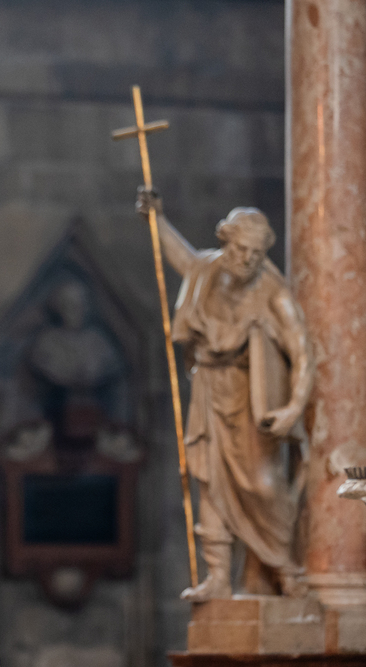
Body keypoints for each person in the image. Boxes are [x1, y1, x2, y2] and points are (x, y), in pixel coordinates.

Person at [137, 188, 314, 601]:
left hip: (251, 397)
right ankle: (217, 575)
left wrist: (294, 408)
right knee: (209, 480)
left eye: (256, 254)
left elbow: (303, 352)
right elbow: (182, 258)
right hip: (208, 388)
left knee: (263, 484)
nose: (247, 260)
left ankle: (285, 567)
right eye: (240, 250)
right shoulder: (208, 270)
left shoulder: (274, 293)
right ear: (226, 242)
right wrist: (156, 219)